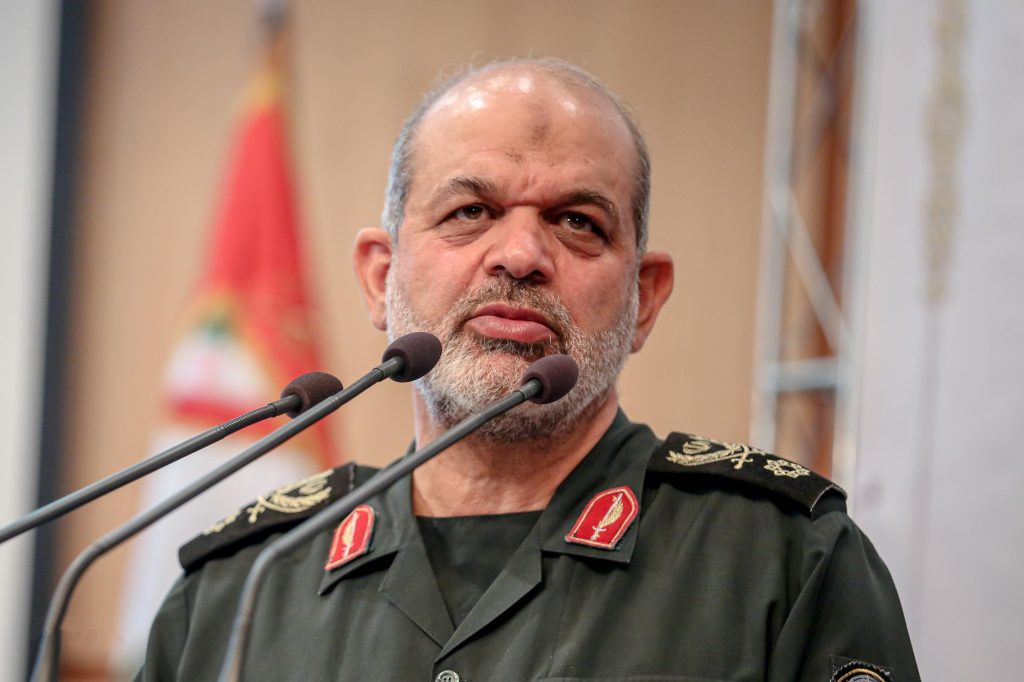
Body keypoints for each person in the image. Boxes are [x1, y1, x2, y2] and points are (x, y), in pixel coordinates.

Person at [137, 58, 920, 682]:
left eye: (577, 221)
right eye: (469, 212)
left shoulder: (785, 562)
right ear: (381, 278)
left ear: (644, 299)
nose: (519, 255)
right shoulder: (240, 586)